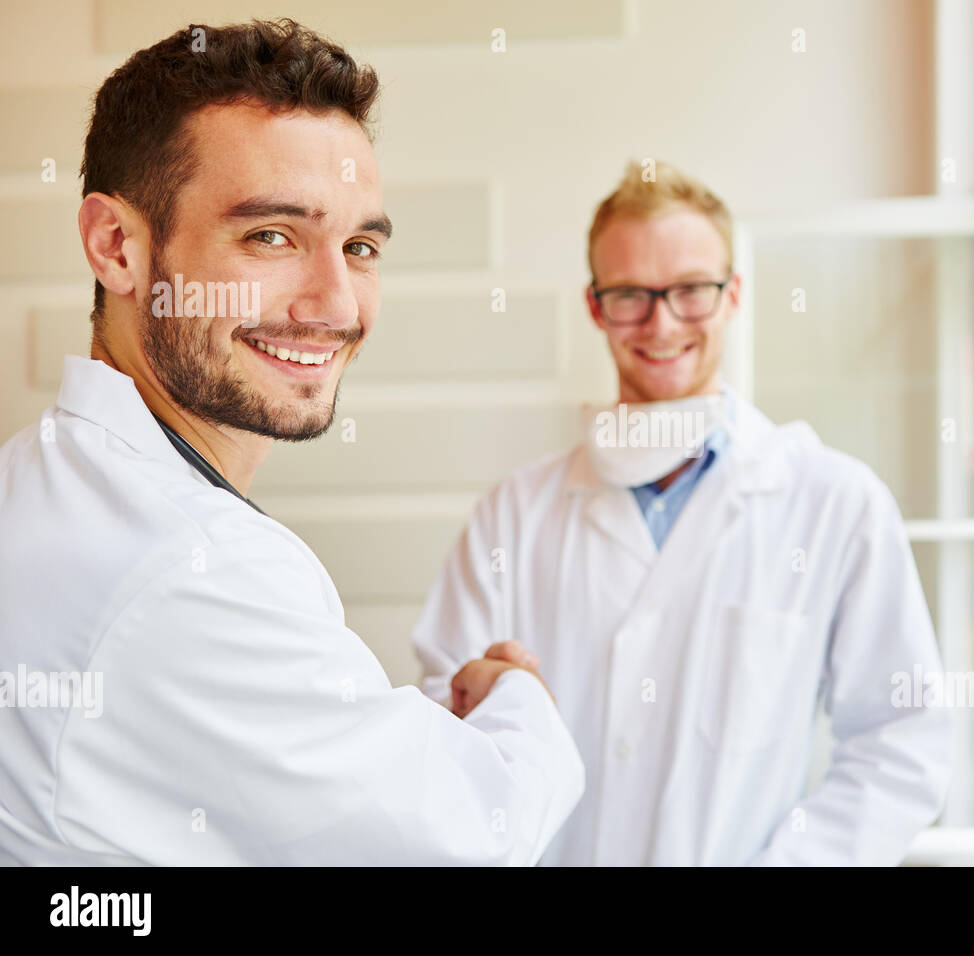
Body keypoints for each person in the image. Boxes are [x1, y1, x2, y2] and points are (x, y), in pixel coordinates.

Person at [0, 19, 582, 865]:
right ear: (116, 246)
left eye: (359, 247)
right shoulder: (193, 569)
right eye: (270, 236)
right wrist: (515, 701)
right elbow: (473, 840)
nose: (335, 304)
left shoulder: (41, 480)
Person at [413, 161, 953, 865]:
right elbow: (444, 725)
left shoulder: (836, 505)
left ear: (732, 297)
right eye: (631, 294)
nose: (662, 322)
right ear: (595, 306)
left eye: (691, 291)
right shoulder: (513, 515)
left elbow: (901, 737)